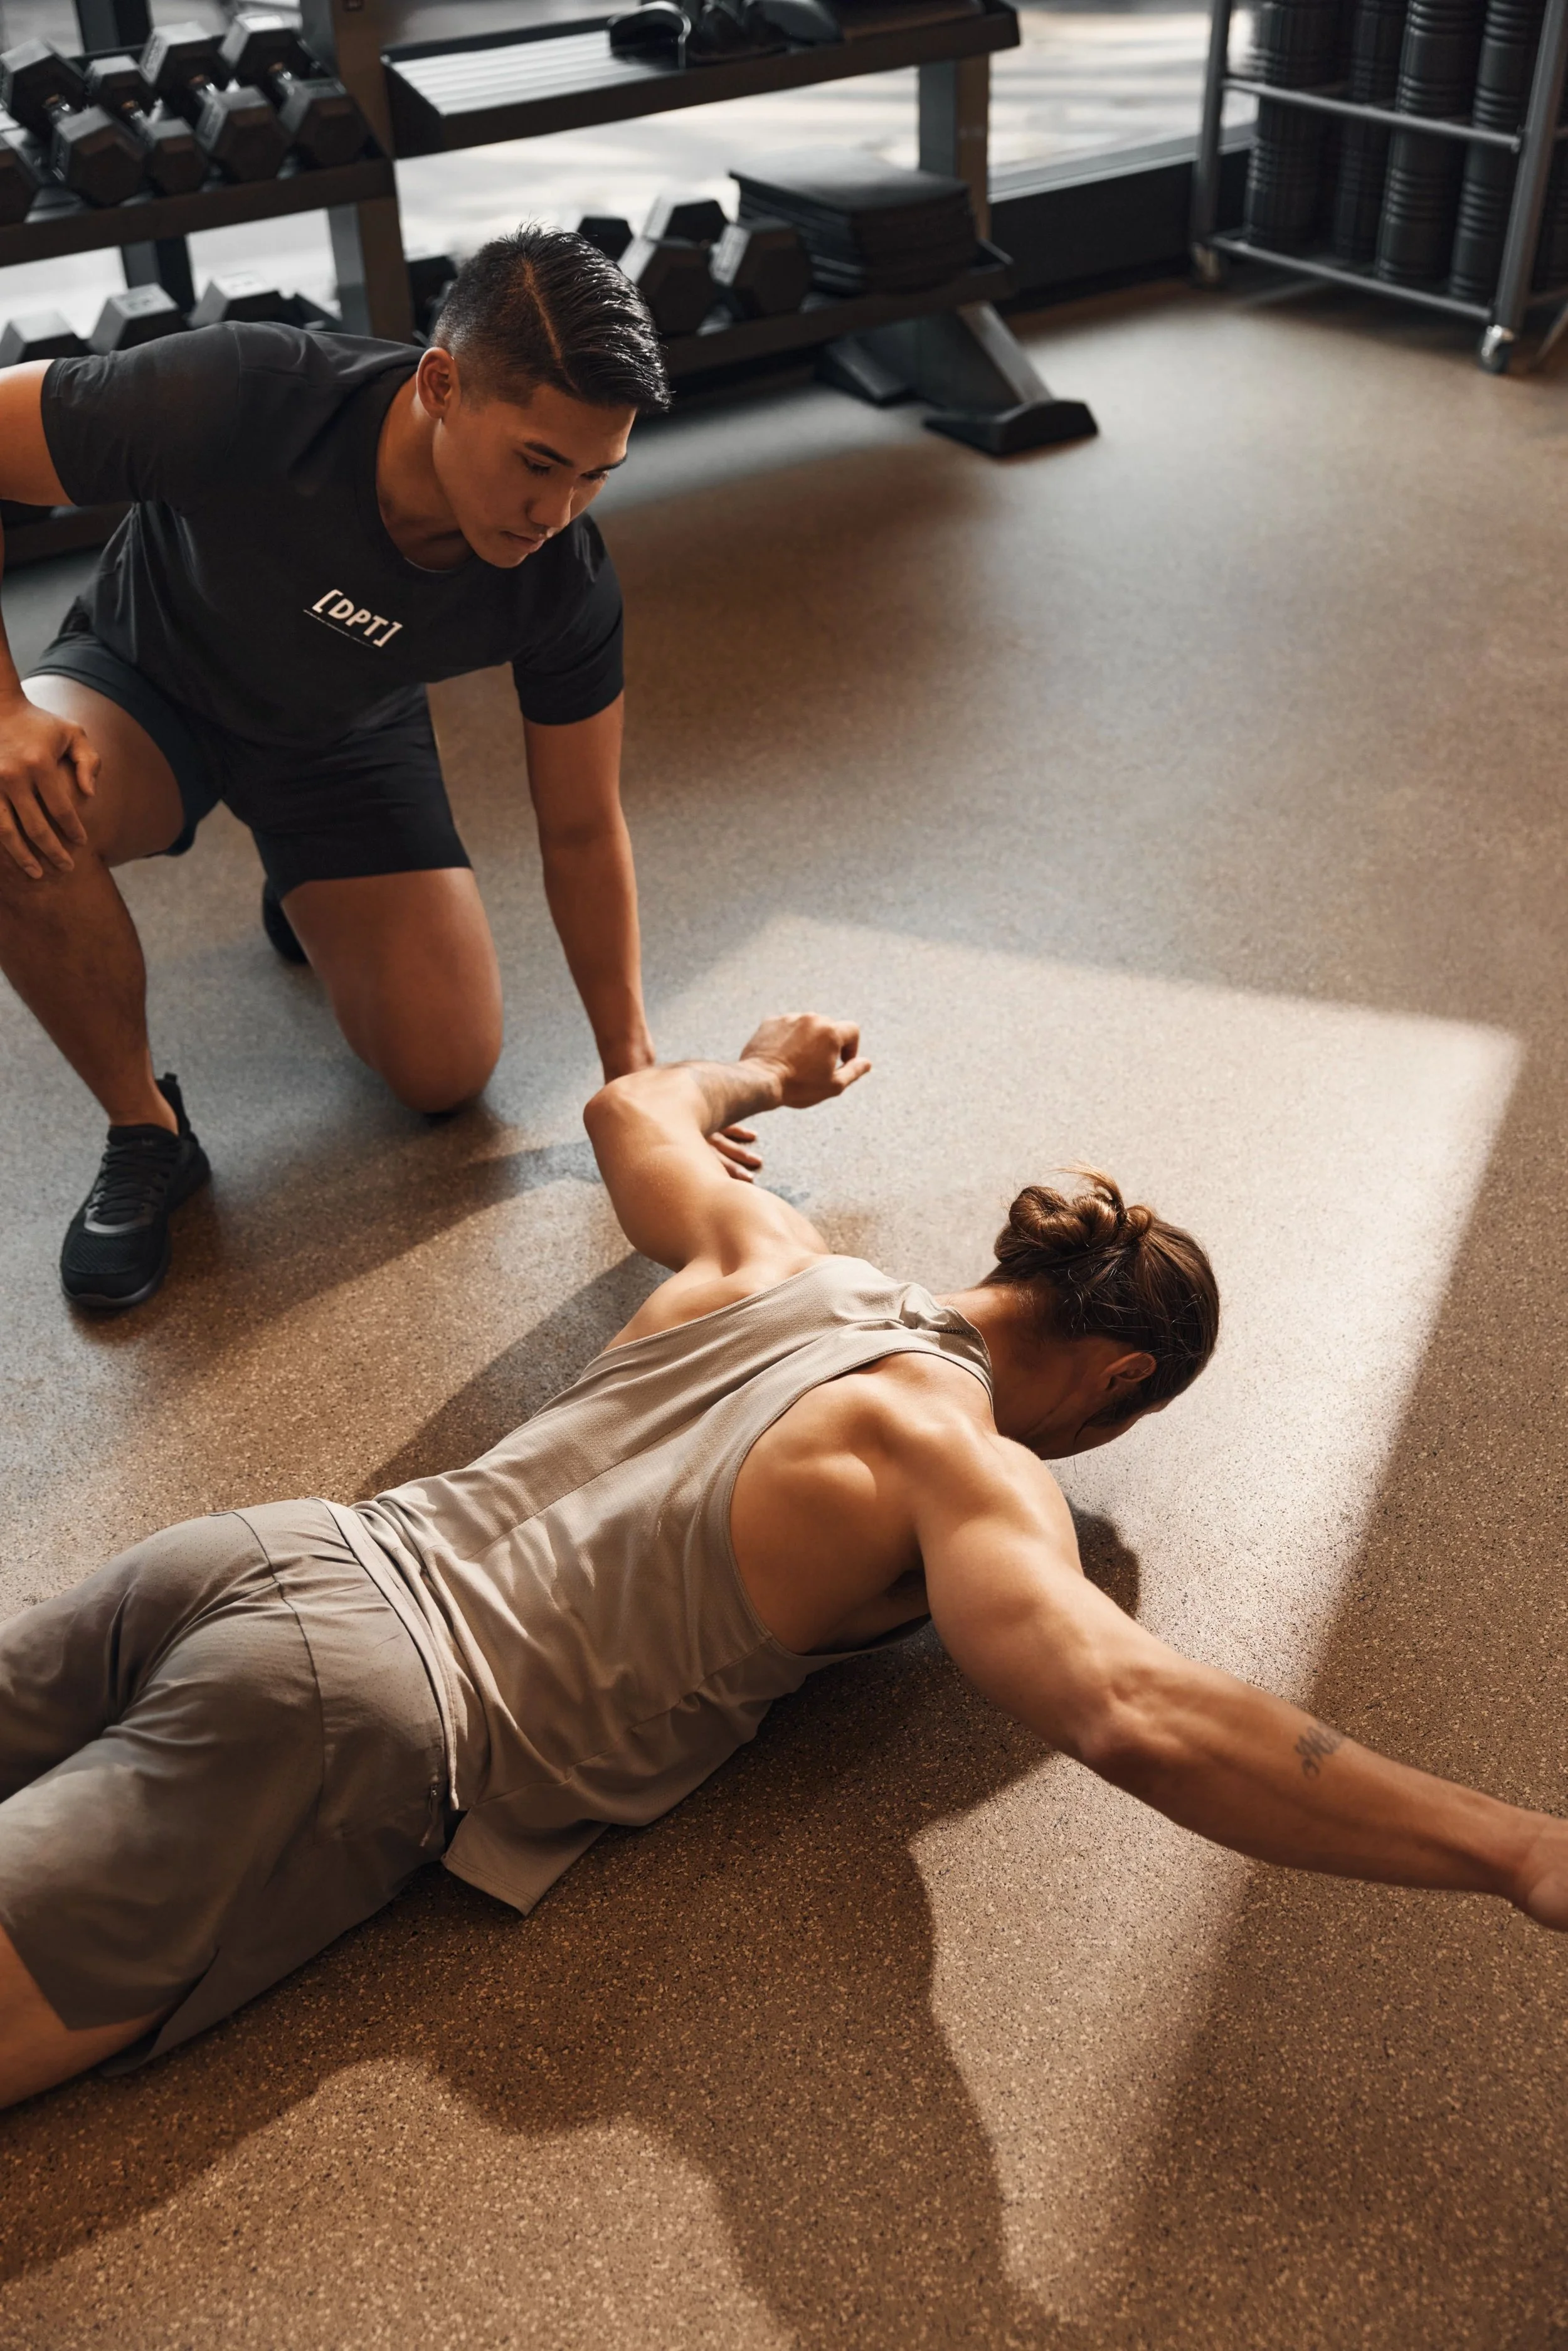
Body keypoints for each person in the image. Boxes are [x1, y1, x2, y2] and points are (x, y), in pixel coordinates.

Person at [3, 1008, 1565, 2110]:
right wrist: (1512, 1845)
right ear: (1109, 1381)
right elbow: (1133, 1712)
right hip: (356, 1718)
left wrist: (767, 1072)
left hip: (274, 1549)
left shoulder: (776, 1255)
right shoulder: (964, 1460)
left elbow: (630, 1110)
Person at [0, 226, 670, 1312]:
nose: (558, 512)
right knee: (16, 814)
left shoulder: (563, 582)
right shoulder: (245, 392)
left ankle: (301, 880)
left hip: (338, 739)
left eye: (597, 474)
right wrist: (1, 710)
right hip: (149, 681)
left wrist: (633, 1070)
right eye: (539, 462)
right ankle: (147, 1132)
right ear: (442, 385)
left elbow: (585, 829)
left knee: (445, 1070)